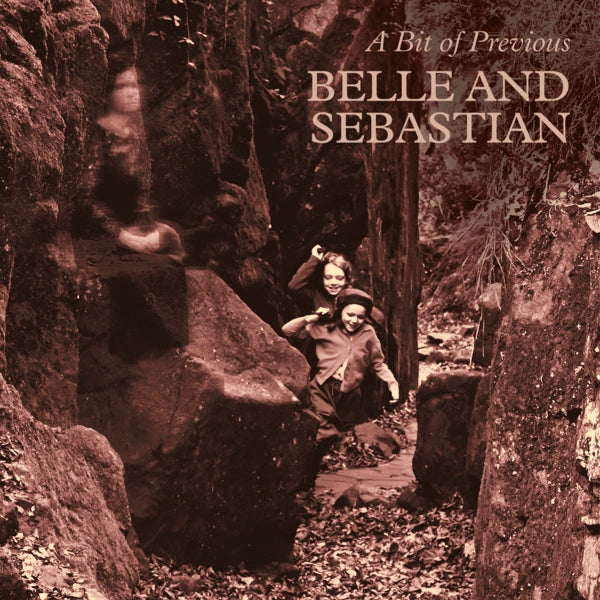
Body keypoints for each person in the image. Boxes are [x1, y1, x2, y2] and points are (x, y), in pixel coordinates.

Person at [77, 66, 185, 261]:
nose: (131, 93)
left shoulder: (134, 132)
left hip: (135, 229)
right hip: (105, 237)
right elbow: (85, 200)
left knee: (173, 239)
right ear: (107, 95)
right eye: (122, 86)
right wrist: (123, 237)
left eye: (133, 85)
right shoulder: (98, 136)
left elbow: (140, 198)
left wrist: (150, 230)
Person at [282, 287, 399, 444]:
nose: (354, 320)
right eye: (350, 315)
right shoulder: (326, 328)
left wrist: (392, 383)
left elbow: (378, 363)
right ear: (341, 311)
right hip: (322, 387)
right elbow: (287, 330)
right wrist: (311, 318)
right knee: (323, 428)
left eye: (360, 317)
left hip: (350, 393)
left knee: (346, 431)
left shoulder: (368, 333)